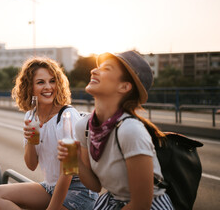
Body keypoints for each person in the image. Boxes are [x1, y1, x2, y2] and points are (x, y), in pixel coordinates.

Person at [58, 50, 174, 209]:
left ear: (124, 86)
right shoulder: (84, 127)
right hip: (112, 201)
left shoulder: (130, 130)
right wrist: (75, 159)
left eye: (107, 69)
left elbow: (141, 204)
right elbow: (95, 186)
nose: (94, 70)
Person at [0, 57, 97, 210]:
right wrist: (31, 140)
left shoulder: (67, 116)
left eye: (52, 81)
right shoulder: (31, 116)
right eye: (40, 82)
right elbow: (31, 165)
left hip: (78, 191)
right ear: (29, 87)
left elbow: (69, 171)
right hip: (50, 187)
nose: (48, 87)